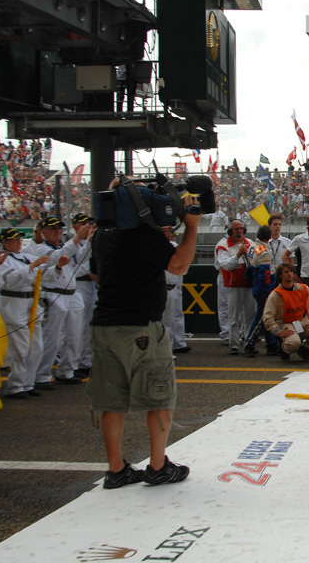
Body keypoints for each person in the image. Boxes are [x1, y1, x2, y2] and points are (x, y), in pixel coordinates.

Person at [88, 182, 200, 488]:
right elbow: (179, 265)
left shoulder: (101, 234)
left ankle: (116, 470)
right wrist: (191, 227)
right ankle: (158, 465)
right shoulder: (144, 235)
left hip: (103, 323)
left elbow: (96, 274)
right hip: (140, 328)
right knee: (160, 396)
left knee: (112, 401)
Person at [26, 216, 91, 390]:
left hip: (72, 293)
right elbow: (55, 259)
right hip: (54, 294)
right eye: (52, 229)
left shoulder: (64, 246)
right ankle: (42, 375)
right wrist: (76, 239)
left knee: (74, 335)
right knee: (51, 337)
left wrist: (90, 241)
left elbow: (82, 259)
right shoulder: (38, 249)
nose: (57, 232)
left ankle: (67, 370)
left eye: (59, 229)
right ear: (43, 232)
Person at [0, 229, 53, 398]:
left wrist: (57, 265)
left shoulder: (27, 258)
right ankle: (16, 386)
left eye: (19, 239)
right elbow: (10, 281)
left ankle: (28, 382)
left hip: (31, 303)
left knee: (37, 347)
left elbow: (46, 273)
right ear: (4, 242)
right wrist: (31, 267)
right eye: (13, 240)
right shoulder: (2, 260)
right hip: (14, 303)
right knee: (21, 348)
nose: (18, 242)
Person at [56, 212, 96, 383]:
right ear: (76, 226)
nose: (88, 227)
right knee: (75, 330)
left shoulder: (91, 243)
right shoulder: (71, 245)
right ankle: (73, 364)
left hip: (90, 286)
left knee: (87, 327)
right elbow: (77, 265)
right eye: (84, 224)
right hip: (77, 285)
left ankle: (85, 361)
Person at [215, 219, 255, 355]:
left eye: (241, 229)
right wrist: (238, 255)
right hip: (233, 285)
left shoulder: (250, 243)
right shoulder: (223, 245)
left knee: (250, 315)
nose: (239, 231)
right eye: (236, 229)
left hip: (249, 284)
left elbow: (259, 258)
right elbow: (225, 265)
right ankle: (234, 344)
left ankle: (249, 343)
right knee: (233, 316)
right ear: (230, 231)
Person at [262, 263, 309, 363]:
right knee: (293, 343)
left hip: (300, 321)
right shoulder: (276, 294)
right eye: (286, 272)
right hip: (286, 323)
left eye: (291, 271)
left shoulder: (303, 289)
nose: (289, 274)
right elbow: (267, 317)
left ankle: (304, 348)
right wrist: (278, 331)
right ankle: (284, 350)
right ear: (280, 276)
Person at [242, 225, 275, 357]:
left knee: (268, 316)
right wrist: (267, 292)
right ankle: (249, 344)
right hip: (264, 287)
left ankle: (271, 344)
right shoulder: (263, 250)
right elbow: (265, 273)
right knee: (261, 317)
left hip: (258, 284)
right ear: (269, 236)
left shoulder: (252, 245)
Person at [160, 227, 188, 354]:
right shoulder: (170, 246)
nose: (173, 237)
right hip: (165, 287)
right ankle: (168, 348)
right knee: (167, 321)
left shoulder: (171, 245)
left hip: (175, 286)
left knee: (176, 316)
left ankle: (178, 342)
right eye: (171, 234)